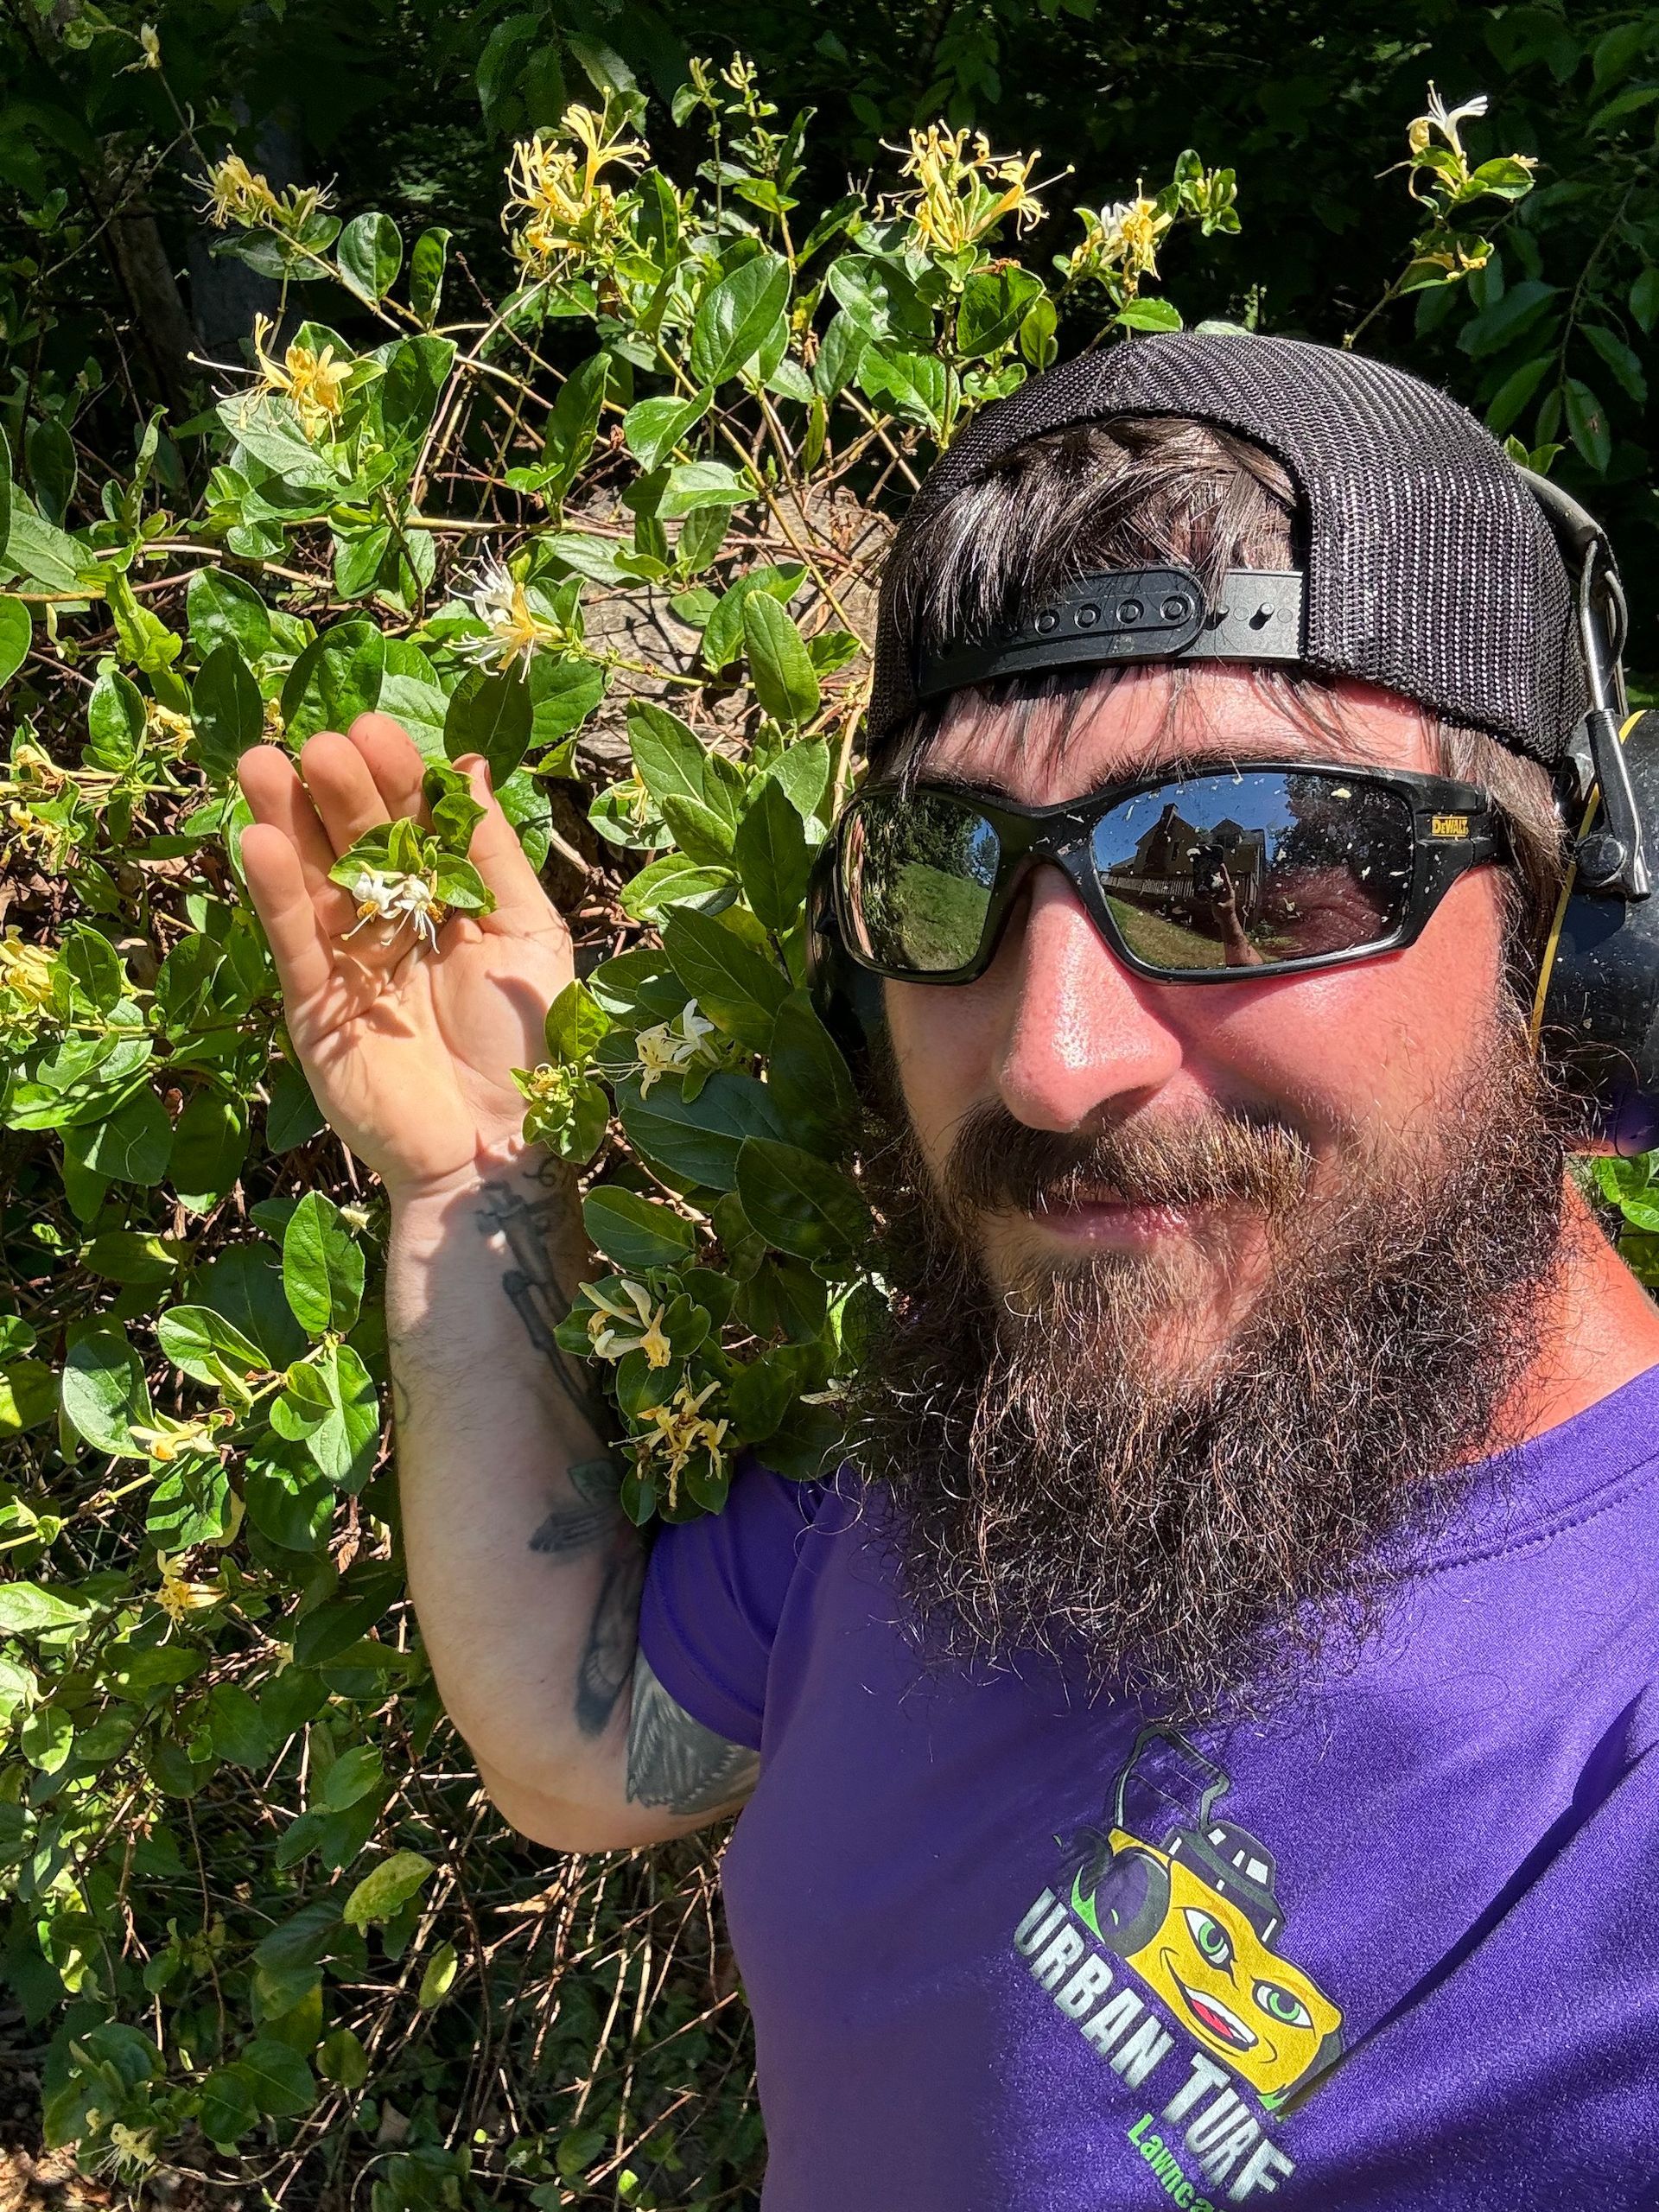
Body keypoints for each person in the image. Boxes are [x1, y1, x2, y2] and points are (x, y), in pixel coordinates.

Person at [239, 334, 1659, 2210]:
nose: (1048, 1058)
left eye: (1240, 861)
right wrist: (473, 1179)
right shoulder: (994, 1448)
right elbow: (579, 1735)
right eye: (947, 875)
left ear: (1565, 947)